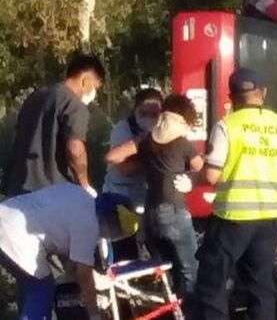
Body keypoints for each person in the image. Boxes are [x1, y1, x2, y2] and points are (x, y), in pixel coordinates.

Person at [189, 68, 277, 320]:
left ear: (231, 97)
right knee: (261, 286)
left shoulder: (227, 126)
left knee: (213, 282)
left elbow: (211, 175)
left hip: (233, 218)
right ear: (263, 93)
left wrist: (191, 180)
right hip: (271, 219)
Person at [105, 94, 203, 313]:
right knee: (190, 271)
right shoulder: (182, 143)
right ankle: (190, 314)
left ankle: (170, 313)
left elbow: (112, 157)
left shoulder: (146, 140)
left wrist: (147, 164)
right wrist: (190, 178)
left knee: (166, 270)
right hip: (175, 211)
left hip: (149, 216)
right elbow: (203, 169)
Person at [0, 185, 140, 320]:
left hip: (6, 214)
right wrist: (94, 315)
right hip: (16, 233)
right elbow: (84, 276)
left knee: (32, 288)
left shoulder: (78, 194)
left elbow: (63, 242)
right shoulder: (88, 224)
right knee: (41, 289)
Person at [2, 52, 105, 198]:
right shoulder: (74, 105)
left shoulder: (35, 97)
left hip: (17, 190)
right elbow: (75, 150)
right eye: (95, 87)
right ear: (85, 80)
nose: (94, 94)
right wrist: (85, 184)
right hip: (51, 194)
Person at [102, 88, 164, 260]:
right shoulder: (123, 129)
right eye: (144, 113)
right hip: (121, 195)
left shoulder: (163, 131)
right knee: (125, 250)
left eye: (155, 113)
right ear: (136, 110)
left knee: (157, 245)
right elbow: (125, 169)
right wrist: (152, 160)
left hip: (147, 196)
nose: (150, 117)